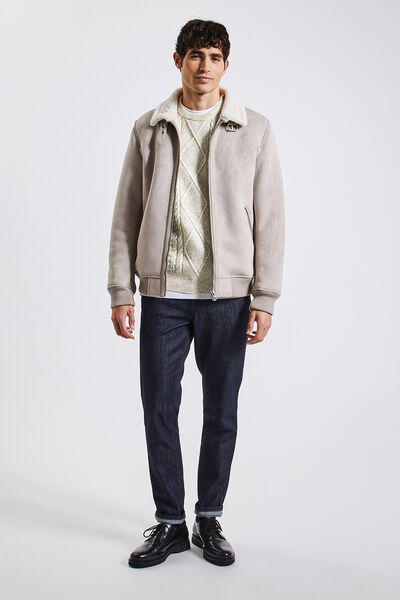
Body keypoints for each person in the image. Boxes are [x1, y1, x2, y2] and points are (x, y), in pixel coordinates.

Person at [107, 19, 285, 568]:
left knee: (221, 411)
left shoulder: (254, 129)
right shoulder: (149, 127)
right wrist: (121, 289)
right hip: (163, 297)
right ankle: (169, 523)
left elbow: (271, 218)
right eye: (194, 56)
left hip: (227, 300)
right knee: (159, 409)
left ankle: (208, 518)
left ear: (226, 65)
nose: (204, 66)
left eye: (213, 56)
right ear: (178, 61)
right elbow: (126, 213)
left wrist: (264, 297)